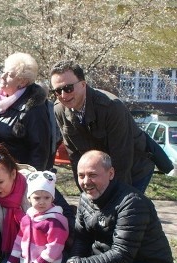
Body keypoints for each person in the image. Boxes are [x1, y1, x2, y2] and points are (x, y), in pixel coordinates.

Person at [49, 61, 154, 192]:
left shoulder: (111, 107)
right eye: (57, 91)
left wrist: (116, 198)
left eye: (68, 88)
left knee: (126, 209)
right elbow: (75, 157)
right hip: (98, 172)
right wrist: (85, 191)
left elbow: (122, 159)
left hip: (133, 169)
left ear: (83, 84)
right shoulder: (59, 109)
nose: (63, 95)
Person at [0, 52, 51, 170]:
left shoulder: (34, 108)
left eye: (9, 75)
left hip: (15, 178)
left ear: (23, 82)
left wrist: (29, 181)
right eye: (3, 71)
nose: (2, 76)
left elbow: (39, 152)